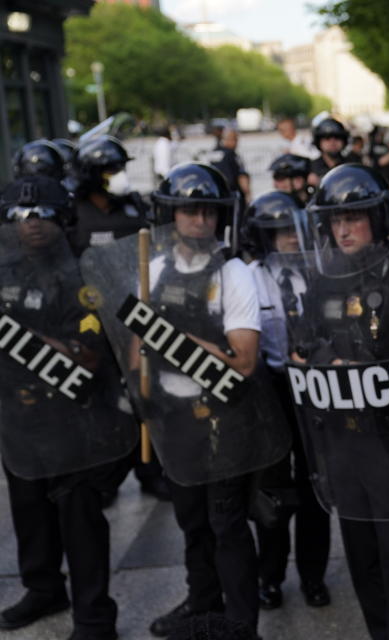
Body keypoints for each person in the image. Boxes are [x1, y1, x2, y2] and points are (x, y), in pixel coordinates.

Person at [78, 162, 291, 638]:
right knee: (192, 523)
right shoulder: (150, 270)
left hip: (222, 420)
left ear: (220, 217)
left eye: (208, 212)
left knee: (227, 526)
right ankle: (201, 603)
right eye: (189, 211)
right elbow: (137, 352)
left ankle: (239, 624)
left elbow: (243, 360)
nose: (199, 220)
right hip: (175, 422)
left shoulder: (234, 273)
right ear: (171, 216)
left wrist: (170, 339)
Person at [293, 163, 389, 639]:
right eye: (335, 221)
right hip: (342, 442)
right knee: (361, 556)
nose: (342, 229)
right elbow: (305, 342)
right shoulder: (323, 277)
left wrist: (354, 376)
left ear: (377, 219)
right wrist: (321, 362)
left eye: (353, 218)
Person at [0, 176, 137, 640]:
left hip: (76, 418)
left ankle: (95, 617)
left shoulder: (86, 276)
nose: (32, 222)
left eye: (42, 212)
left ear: (64, 217)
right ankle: (43, 588)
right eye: (21, 214)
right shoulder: (6, 272)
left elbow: (85, 356)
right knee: (28, 510)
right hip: (20, 417)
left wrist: (17, 334)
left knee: (79, 522)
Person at [242, 191, 332, 611]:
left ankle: (313, 576)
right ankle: (270, 576)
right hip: (269, 386)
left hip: (312, 384)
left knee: (316, 483)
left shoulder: (316, 273)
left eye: (293, 229)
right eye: (280, 231)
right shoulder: (247, 276)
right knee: (271, 487)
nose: (290, 239)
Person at [68, 135, 147, 256]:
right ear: (92, 175)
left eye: (122, 168)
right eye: (112, 170)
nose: (120, 176)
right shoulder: (71, 213)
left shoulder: (137, 207)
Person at [207, 127, 250, 208]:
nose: (236, 142)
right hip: (233, 195)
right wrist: (248, 195)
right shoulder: (232, 154)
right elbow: (242, 176)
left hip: (216, 195)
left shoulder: (213, 152)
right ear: (225, 139)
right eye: (234, 139)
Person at [308, 117, 349, 185]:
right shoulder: (310, 168)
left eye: (337, 137)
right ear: (319, 142)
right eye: (327, 137)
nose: (332, 142)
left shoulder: (350, 166)